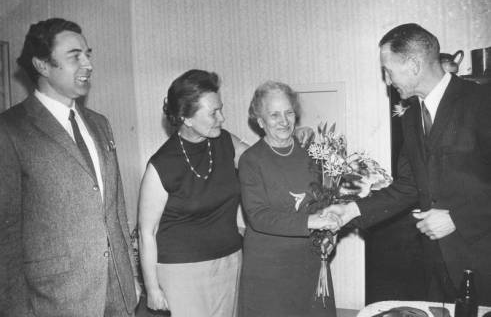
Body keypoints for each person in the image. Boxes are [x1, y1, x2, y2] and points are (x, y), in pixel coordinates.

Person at [323, 23, 491, 304]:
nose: (387, 81)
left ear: (413, 65)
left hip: (484, 263)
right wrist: (349, 211)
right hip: (437, 267)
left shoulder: (482, 101)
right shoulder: (412, 116)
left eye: (388, 71)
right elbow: (408, 186)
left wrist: (457, 217)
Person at [138, 70, 313, 317]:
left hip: (230, 260)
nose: (222, 117)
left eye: (220, 109)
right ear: (186, 118)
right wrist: (152, 288)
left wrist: (291, 136)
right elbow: (147, 232)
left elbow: (263, 162)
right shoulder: (161, 165)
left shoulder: (224, 142)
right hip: (181, 268)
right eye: (213, 113)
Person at [0, 18, 140, 316]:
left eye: (87, 54)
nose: (88, 64)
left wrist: (131, 279)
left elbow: (116, 209)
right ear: (42, 65)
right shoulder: (10, 130)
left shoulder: (100, 124)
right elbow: (6, 234)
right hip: (54, 301)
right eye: (75, 56)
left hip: (118, 295)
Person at [238, 81, 337, 317]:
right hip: (269, 268)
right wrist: (310, 222)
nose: (284, 121)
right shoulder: (251, 160)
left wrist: (332, 230)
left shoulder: (312, 152)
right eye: (274, 115)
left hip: (310, 261)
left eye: (288, 112)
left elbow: (325, 199)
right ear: (260, 121)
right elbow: (258, 217)